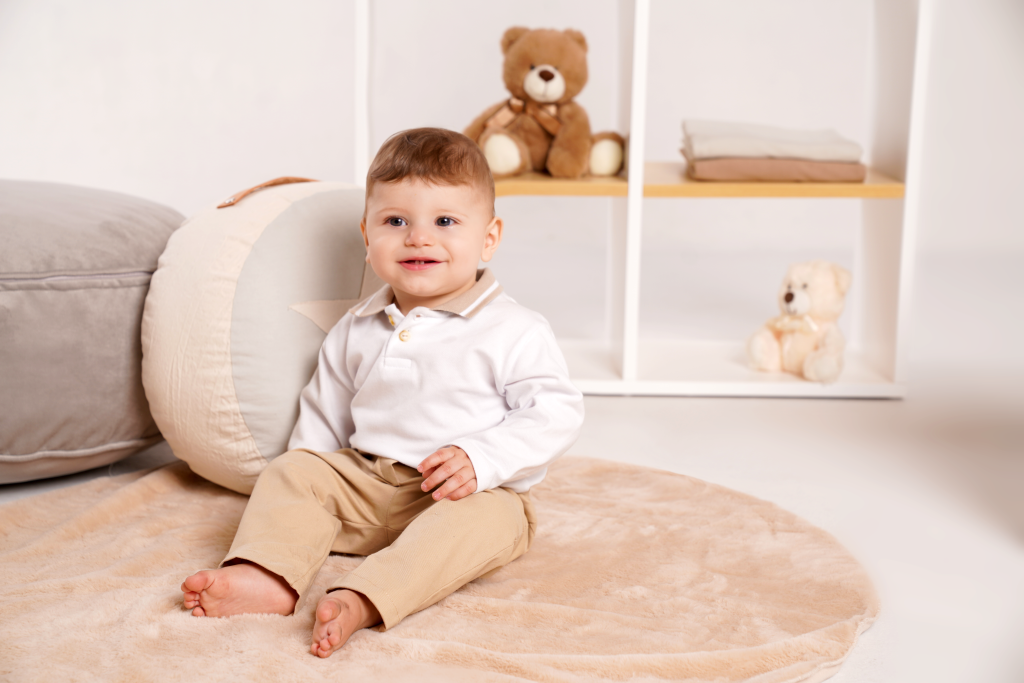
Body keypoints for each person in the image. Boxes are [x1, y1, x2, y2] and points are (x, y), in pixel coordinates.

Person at [180, 127, 585, 658]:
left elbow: (556, 411)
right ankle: (269, 574)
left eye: (445, 222)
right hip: (368, 483)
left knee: (496, 521)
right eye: (396, 221)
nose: (418, 238)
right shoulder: (357, 325)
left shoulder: (514, 329)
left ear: (489, 238)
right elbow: (324, 413)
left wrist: (483, 458)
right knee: (293, 471)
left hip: (462, 495)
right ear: (368, 236)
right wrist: (309, 483)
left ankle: (365, 597)